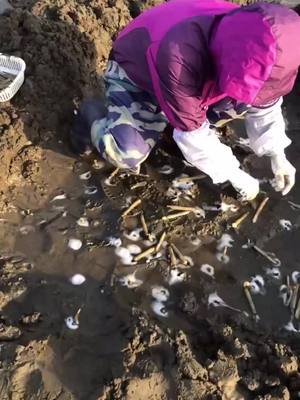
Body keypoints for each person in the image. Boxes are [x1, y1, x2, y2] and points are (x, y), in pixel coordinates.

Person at [71, 0, 300, 200]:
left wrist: (277, 154)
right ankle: (92, 116)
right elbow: (194, 135)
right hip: (137, 72)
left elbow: (265, 104)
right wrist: (235, 174)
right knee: (125, 153)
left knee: (234, 105)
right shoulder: (179, 57)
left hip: (191, 80)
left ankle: (169, 121)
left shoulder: (254, 36)